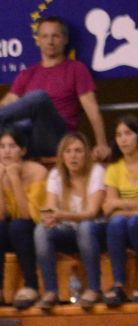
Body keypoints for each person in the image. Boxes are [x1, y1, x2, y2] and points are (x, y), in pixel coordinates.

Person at [0, 16, 111, 169]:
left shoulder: (76, 69)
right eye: (45, 36)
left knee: (39, 97)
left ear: (65, 39)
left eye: (55, 36)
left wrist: (102, 143)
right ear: (38, 41)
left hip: (60, 139)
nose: (50, 41)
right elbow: (5, 103)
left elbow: (92, 109)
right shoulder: (27, 74)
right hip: (29, 139)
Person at [0, 128, 48, 310]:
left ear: (23, 150)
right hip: (6, 234)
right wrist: (0, 179)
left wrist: (15, 178)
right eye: (2, 147)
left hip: (32, 232)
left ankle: (31, 286)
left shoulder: (38, 172)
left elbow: (28, 215)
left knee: (18, 226)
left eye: (12, 146)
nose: (6, 151)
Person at [34, 132, 106, 310]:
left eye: (78, 151)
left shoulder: (97, 171)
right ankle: (51, 291)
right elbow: (51, 209)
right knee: (41, 231)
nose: (73, 156)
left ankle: (94, 289)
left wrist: (60, 215)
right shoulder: (56, 174)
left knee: (85, 227)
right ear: (62, 155)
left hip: (95, 232)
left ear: (86, 154)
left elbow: (92, 212)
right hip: (68, 232)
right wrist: (48, 218)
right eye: (68, 151)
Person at [103, 114, 138, 306]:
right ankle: (119, 285)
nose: (123, 139)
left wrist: (120, 203)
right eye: (118, 135)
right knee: (116, 223)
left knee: (134, 223)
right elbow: (109, 209)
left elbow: (115, 204)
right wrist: (133, 208)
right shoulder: (114, 168)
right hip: (125, 224)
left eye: (128, 133)